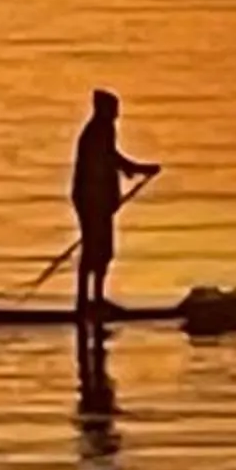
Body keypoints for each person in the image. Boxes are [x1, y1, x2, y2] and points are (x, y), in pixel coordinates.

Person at [71, 89, 158, 322]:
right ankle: (86, 303)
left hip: (97, 201)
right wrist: (138, 169)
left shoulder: (103, 130)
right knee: (95, 250)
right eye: (114, 109)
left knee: (102, 251)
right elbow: (107, 160)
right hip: (91, 201)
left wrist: (132, 169)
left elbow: (111, 158)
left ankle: (94, 299)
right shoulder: (97, 131)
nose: (117, 114)